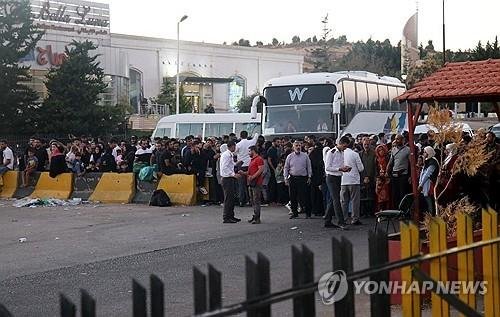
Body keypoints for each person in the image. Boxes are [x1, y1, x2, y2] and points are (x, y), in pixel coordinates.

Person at [324, 136, 351, 229]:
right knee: (336, 199)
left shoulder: (342, 152)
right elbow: (327, 167)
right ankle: (341, 221)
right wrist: (339, 169)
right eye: (344, 146)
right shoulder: (331, 152)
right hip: (331, 177)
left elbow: (339, 165)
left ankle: (327, 220)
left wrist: (345, 168)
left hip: (338, 176)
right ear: (340, 143)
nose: (345, 148)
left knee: (332, 199)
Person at [284, 141, 312, 219]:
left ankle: (308, 213)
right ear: (293, 147)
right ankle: (294, 212)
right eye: (296, 145)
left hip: (303, 178)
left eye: (299, 145)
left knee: (305, 196)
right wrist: (285, 178)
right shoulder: (290, 156)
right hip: (293, 178)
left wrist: (309, 176)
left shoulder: (305, 156)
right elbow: (286, 167)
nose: (298, 147)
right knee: (293, 197)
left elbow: (309, 166)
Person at [340, 139, 365, 225]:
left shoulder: (341, 153)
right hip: (354, 180)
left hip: (343, 180)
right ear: (353, 145)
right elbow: (361, 168)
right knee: (355, 201)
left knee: (344, 201)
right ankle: (355, 219)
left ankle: (343, 218)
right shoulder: (355, 154)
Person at [219, 141, 242, 223]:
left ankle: (231, 216)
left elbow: (231, 165)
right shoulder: (226, 155)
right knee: (228, 198)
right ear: (231, 146)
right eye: (234, 146)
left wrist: (237, 163)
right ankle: (226, 217)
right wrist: (233, 174)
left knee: (231, 198)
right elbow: (224, 167)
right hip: (227, 178)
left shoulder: (230, 155)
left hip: (230, 178)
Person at [235, 131, 259, 206]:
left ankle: (242, 201)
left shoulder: (238, 144)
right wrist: (256, 133)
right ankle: (251, 201)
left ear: (240, 136)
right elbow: (256, 136)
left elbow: (234, 153)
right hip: (250, 165)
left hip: (241, 165)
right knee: (250, 183)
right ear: (247, 135)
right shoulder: (251, 142)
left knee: (241, 184)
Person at [386, 134, 410, 208]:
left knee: (402, 194)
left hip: (403, 175)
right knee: (395, 194)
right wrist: (387, 171)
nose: (396, 141)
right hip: (394, 174)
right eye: (395, 139)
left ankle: (403, 210)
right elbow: (391, 162)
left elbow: (411, 163)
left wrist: (410, 176)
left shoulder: (407, 150)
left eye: (398, 139)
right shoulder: (393, 149)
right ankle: (396, 210)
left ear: (402, 140)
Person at [245, 146, 265, 224]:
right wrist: (244, 173)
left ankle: (257, 218)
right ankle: (255, 215)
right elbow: (251, 171)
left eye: (249, 151)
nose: (248, 153)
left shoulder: (259, 159)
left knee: (256, 200)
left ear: (253, 151)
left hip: (256, 182)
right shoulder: (252, 160)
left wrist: (253, 177)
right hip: (252, 182)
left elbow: (261, 169)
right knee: (253, 200)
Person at [418, 146, 439, 215]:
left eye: (425, 152)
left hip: (429, 184)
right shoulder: (428, 161)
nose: (423, 153)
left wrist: (421, 184)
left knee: (429, 200)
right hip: (425, 184)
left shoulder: (433, 162)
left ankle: (431, 216)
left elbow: (427, 174)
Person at [359, 138, 377, 217]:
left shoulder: (374, 154)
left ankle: (371, 212)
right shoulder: (360, 154)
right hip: (362, 178)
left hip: (372, 178)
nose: (366, 146)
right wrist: (364, 177)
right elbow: (359, 167)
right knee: (363, 196)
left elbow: (375, 167)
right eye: (364, 144)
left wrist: (372, 177)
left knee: (371, 196)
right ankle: (364, 212)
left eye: (367, 144)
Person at [309, 142, 325, 216]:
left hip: (313, 177)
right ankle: (321, 210)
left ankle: (315, 209)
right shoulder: (322, 154)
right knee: (321, 195)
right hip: (321, 177)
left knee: (314, 194)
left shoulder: (312, 154)